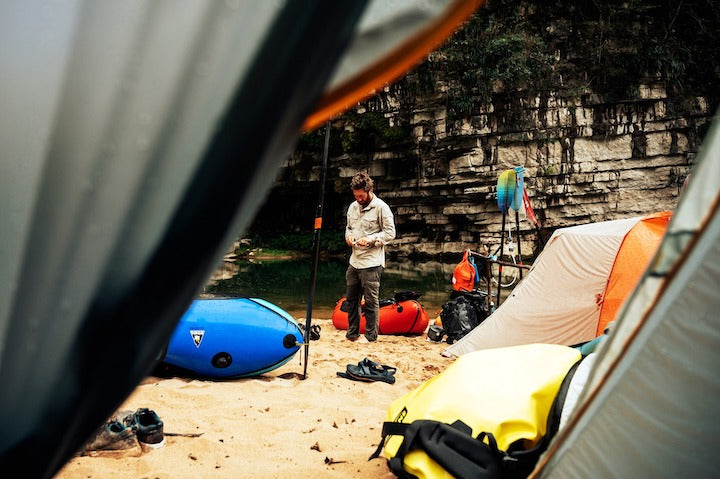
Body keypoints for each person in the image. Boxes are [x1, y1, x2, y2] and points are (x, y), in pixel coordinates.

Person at [344, 172, 396, 342]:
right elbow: (349, 228)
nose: (358, 199)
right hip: (355, 261)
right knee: (351, 300)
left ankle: (370, 337)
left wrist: (372, 239)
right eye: (355, 196)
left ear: (369, 190)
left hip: (372, 263)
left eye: (361, 195)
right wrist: (349, 237)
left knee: (371, 302)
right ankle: (352, 334)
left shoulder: (382, 207)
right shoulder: (352, 207)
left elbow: (390, 233)